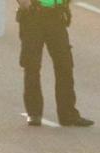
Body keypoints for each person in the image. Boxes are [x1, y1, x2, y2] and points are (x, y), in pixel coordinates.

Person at [16, 0, 94, 128]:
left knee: (65, 64)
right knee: (32, 66)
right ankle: (34, 113)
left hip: (55, 17)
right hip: (33, 16)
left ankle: (67, 115)